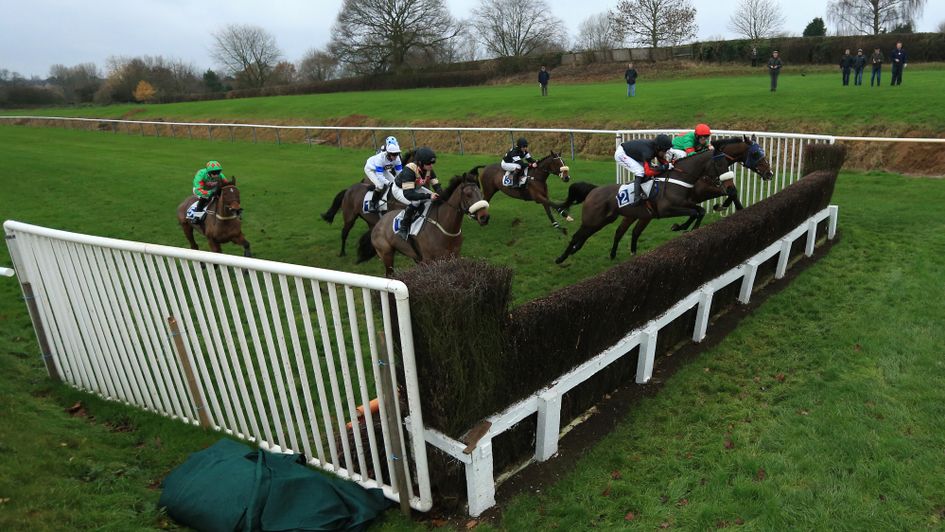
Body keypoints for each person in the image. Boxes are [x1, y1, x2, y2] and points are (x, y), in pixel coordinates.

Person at [391, 147, 442, 240]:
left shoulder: (428, 168)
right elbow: (409, 194)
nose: (431, 166)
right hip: (400, 189)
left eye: (432, 163)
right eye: (429, 163)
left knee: (435, 197)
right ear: (420, 163)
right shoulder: (409, 170)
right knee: (416, 202)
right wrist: (429, 196)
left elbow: (436, 185)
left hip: (414, 188)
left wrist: (442, 195)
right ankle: (403, 227)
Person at [614, 134, 673, 206]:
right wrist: (664, 167)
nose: (665, 152)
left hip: (634, 154)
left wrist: (671, 165)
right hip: (622, 154)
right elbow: (648, 172)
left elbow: (663, 162)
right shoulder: (648, 151)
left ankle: (640, 189)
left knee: (653, 167)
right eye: (665, 150)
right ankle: (636, 197)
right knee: (640, 171)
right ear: (659, 148)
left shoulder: (656, 148)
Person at [363, 135, 402, 212]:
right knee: (380, 185)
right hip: (371, 169)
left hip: (383, 169)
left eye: (397, 153)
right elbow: (380, 176)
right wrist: (388, 183)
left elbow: (399, 173)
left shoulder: (397, 159)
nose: (395, 156)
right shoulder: (380, 158)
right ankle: (372, 204)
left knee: (395, 182)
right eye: (393, 154)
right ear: (388, 153)